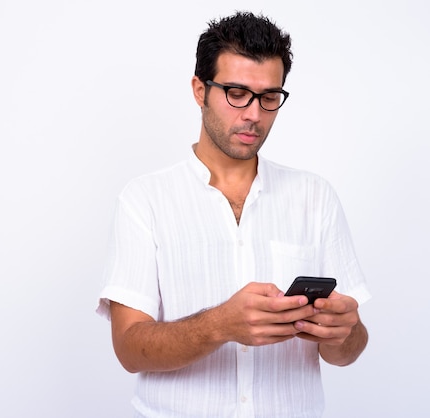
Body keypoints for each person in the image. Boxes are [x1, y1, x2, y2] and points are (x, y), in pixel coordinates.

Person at [96, 11, 371, 418]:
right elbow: (130, 349)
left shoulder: (315, 197)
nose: (254, 115)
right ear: (199, 90)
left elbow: (348, 350)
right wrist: (219, 325)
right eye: (236, 93)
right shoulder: (145, 200)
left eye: (269, 97)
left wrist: (342, 333)